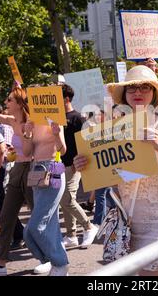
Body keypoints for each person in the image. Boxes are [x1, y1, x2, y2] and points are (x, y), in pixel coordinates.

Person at [73, 65, 158, 275]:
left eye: (145, 87)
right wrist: (85, 165)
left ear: (153, 93)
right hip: (125, 228)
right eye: (132, 88)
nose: (138, 92)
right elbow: (105, 182)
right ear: (124, 95)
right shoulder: (113, 130)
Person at [0, 86, 37, 276]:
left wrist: (28, 135)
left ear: (20, 104)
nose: (6, 103)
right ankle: (1, 264)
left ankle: (49, 258)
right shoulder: (12, 121)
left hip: (32, 171)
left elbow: (31, 151)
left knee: (38, 218)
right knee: (5, 217)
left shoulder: (33, 122)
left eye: (10, 100)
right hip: (16, 172)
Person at [22, 113, 69, 276]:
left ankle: (60, 262)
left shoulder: (55, 121)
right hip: (36, 172)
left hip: (54, 168)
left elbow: (63, 150)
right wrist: (27, 134)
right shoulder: (32, 122)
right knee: (50, 223)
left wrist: (56, 134)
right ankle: (51, 261)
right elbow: (27, 152)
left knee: (35, 226)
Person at [59, 83, 98, 249]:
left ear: (66, 99)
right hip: (60, 165)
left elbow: (88, 141)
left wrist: (79, 162)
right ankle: (71, 235)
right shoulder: (57, 118)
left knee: (66, 199)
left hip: (74, 165)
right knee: (65, 200)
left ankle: (89, 226)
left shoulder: (78, 118)